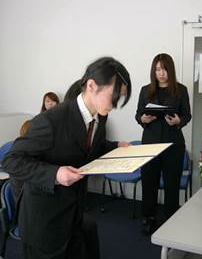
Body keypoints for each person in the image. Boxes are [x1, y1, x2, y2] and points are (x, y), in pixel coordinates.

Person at [3, 57, 132, 259]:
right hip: (44, 221)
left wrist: (116, 147)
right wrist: (55, 173)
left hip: (74, 214)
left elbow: (88, 148)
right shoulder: (51, 121)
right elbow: (12, 160)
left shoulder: (100, 116)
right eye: (113, 97)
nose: (115, 106)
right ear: (92, 86)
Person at [135, 53, 191, 235]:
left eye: (165, 69)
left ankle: (171, 220)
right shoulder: (145, 90)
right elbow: (138, 114)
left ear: (171, 70)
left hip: (173, 144)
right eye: (158, 69)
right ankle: (148, 218)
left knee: (171, 184)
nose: (161, 73)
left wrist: (178, 122)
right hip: (150, 144)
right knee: (149, 182)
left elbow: (187, 115)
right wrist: (143, 119)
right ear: (154, 71)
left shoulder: (181, 90)